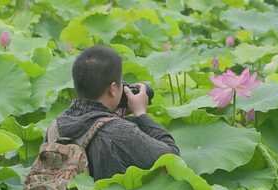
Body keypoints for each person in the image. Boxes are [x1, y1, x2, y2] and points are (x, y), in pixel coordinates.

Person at [47, 45, 180, 180]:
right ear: (113, 89)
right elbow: (172, 159)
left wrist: (112, 114)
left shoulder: (55, 126)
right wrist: (140, 113)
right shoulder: (121, 132)